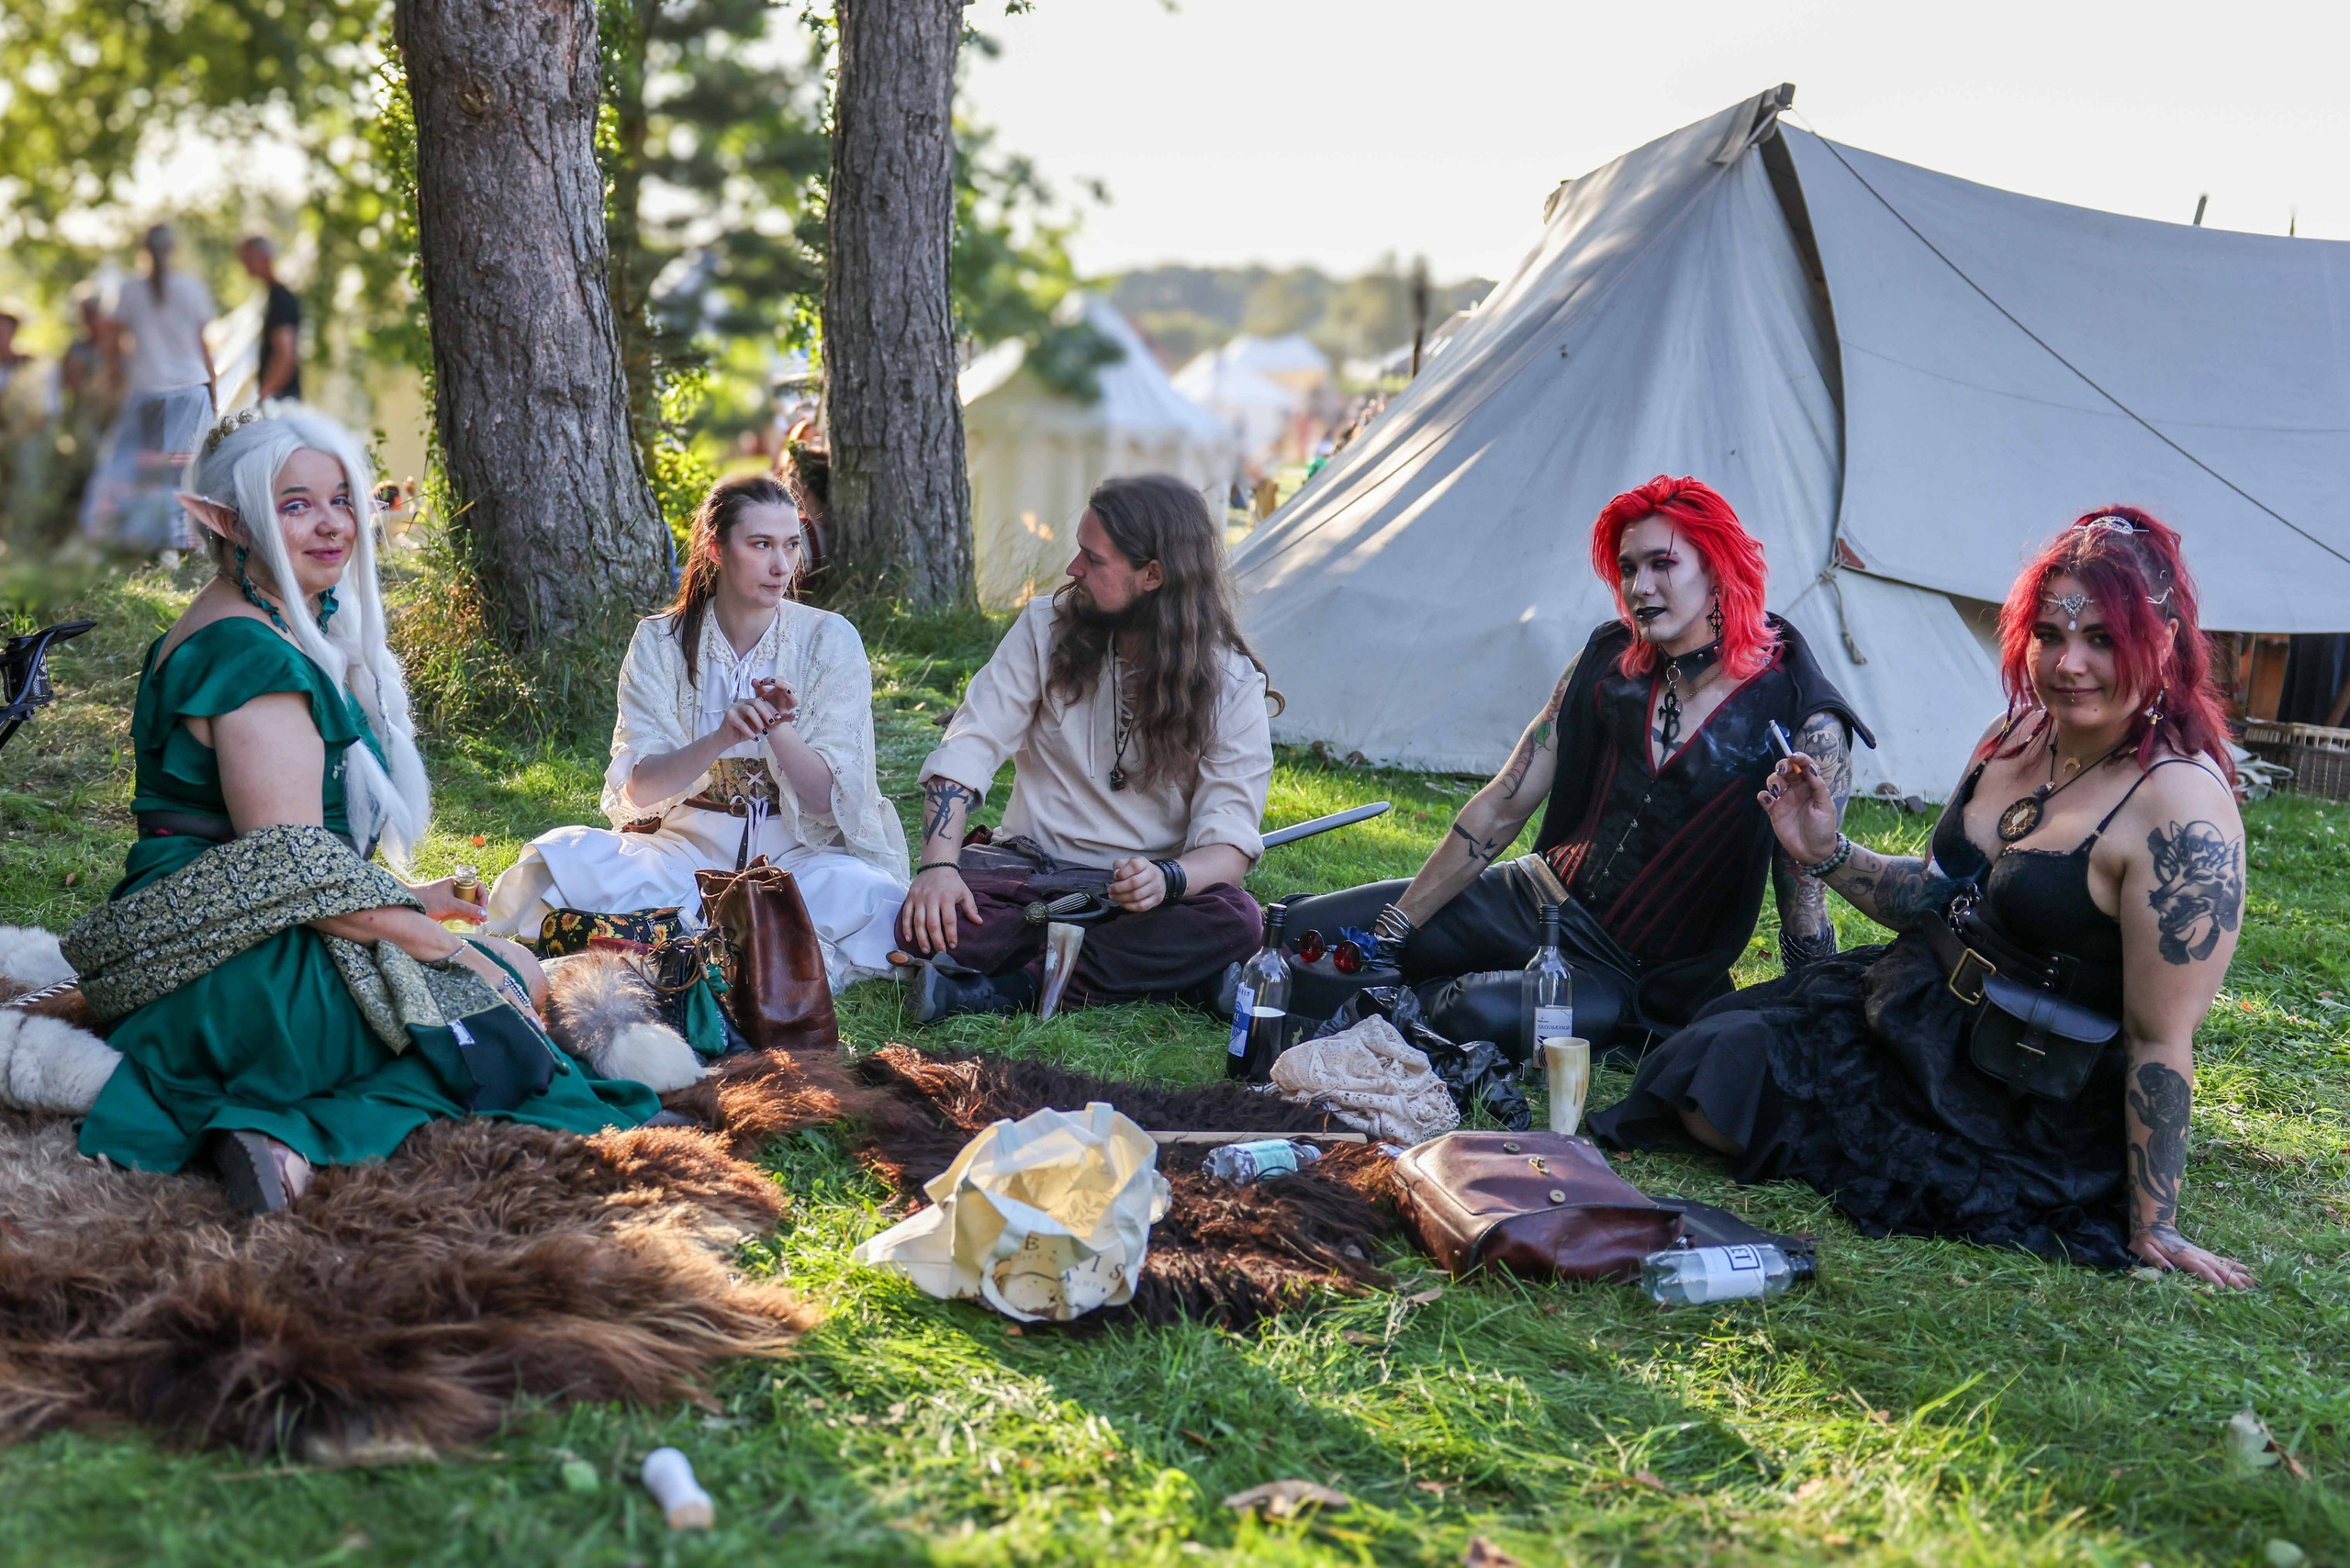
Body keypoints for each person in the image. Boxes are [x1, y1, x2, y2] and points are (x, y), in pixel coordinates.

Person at [1590, 508, 2254, 1289]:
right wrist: (1825, 850)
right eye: (2050, 635)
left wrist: (2157, 1224)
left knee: (1724, 1101)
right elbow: (1932, 895)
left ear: (2164, 642)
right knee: (1701, 1061)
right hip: (1914, 1004)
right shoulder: (2015, 736)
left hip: (2020, 1087)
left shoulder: (2180, 808)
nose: (2070, 664)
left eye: (2103, 638)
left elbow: (2159, 1041)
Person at [65, 405, 655, 1215]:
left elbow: (277, 859)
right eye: (295, 504)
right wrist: (442, 949)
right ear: (225, 521)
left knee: (497, 971)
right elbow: (289, 867)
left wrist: (411, 903)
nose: (331, 523)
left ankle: (282, 1122)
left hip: (223, 933)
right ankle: (288, 1133)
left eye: (341, 498)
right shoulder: (251, 655)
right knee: (508, 982)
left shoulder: (248, 618)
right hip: (234, 974)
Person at [1277, 476, 1872, 1061]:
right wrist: (1394, 927)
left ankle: (1374, 1005)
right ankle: (1335, 983)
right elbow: (1506, 802)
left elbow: (1804, 897)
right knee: (1302, 930)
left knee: (1473, 1013)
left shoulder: (1802, 718)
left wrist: (1806, 1010)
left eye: (1663, 564)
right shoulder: (1611, 660)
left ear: (1716, 567)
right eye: (1629, 568)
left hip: (1632, 972)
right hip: (1534, 895)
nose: (1641, 586)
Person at [484, 473, 908, 990]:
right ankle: (739, 942)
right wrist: (719, 739)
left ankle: (689, 939)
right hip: (682, 855)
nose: (781, 566)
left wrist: (778, 730)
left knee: (868, 893)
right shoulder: (660, 641)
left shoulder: (829, 640)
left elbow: (826, 801)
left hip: (799, 861)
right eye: (761, 545)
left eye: (791, 545)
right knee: (561, 860)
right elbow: (640, 790)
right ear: (715, 548)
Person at [898, 473, 1274, 1020]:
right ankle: (1174, 977)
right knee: (931, 921)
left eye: (1093, 560)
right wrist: (937, 869)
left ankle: (1005, 991)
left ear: (1153, 575)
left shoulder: (1231, 685)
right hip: (1028, 876)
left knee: (1234, 919)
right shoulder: (1042, 629)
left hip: (1138, 902)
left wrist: (1166, 880)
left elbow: (1229, 847)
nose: (1074, 569)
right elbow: (969, 745)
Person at [81, 225, 218, 553]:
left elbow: (111, 344)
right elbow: (203, 347)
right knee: (180, 471)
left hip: (148, 391)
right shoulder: (191, 287)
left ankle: (124, 538)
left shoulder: (128, 289)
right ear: (173, 249)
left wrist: (113, 378)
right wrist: (212, 390)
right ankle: (179, 545)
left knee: (136, 465)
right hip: (190, 389)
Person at [239, 234, 302, 402]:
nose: (243, 264)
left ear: (263, 257)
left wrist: (266, 393)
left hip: (281, 402)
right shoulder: (270, 297)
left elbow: (285, 354)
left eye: (247, 257)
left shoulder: (281, 299)